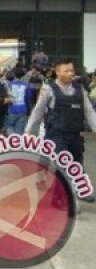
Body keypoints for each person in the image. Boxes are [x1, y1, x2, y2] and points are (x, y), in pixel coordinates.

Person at [25, 58, 96, 203]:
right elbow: (38, 111)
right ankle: (58, 196)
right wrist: (28, 131)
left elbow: (89, 112)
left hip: (75, 135)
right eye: (67, 71)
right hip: (56, 135)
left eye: (72, 70)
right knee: (61, 166)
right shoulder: (49, 89)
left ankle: (81, 191)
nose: (71, 73)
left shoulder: (79, 89)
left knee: (77, 164)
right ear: (57, 72)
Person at [4, 69, 30, 135]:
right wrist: (28, 110)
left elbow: (5, 97)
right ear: (24, 75)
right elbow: (28, 98)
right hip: (23, 109)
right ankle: (17, 143)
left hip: (11, 109)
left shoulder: (9, 84)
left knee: (9, 126)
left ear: (14, 75)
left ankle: (10, 141)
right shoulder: (26, 84)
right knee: (20, 130)